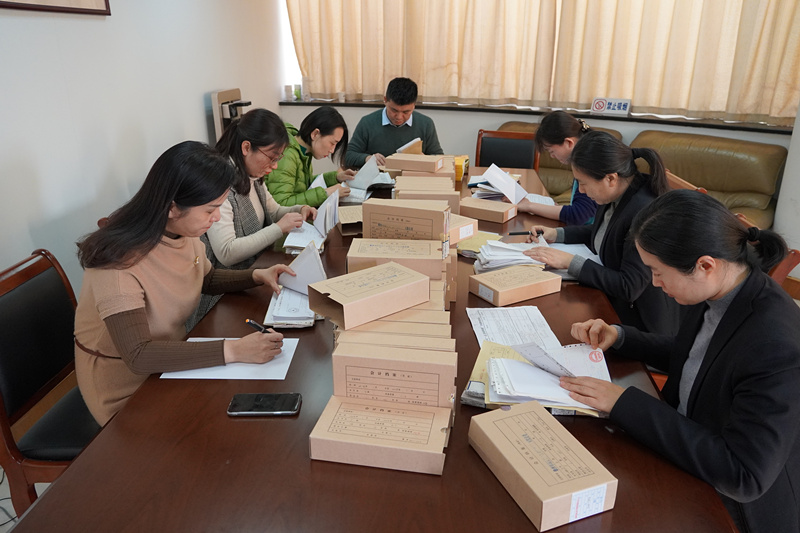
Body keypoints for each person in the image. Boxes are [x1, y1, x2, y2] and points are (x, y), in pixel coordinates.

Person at [561, 190, 800, 533]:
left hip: (731, 505)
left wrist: (623, 402)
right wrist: (622, 336)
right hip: (687, 446)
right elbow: (697, 354)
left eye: (658, 272)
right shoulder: (722, 289)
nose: (654, 283)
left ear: (705, 265)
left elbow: (744, 475)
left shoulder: (775, 345)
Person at [74, 141, 294, 426]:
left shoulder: (179, 233)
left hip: (170, 364)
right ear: (172, 208)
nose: (216, 218)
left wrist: (255, 275)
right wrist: (233, 350)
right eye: (210, 210)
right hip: (127, 390)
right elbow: (138, 355)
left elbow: (205, 278)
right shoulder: (117, 263)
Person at [524, 130, 680, 335]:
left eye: (583, 183)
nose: (580, 190)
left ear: (610, 178)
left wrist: (569, 262)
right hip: (608, 298)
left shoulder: (643, 213)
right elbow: (604, 232)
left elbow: (628, 287)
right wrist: (556, 234)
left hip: (636, 323)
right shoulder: (618, 191)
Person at [204, 108, 316, 271]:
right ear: (246, 148)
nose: (275, 166)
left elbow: (274, 211)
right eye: (272, 158)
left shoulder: (252, 175)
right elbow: (226, 252)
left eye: (278, 159)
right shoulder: (219, 184)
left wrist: (300, 210)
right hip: (231, 279)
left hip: (259, 266)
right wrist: (278, 228)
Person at [516, 111, 598, 225]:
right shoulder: (587, 153)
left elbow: (579, 215)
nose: (552, 156)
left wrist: (529, 206)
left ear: (569, 142)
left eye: (551, 151)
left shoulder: (588, 163)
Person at [344, 77, 444, 168]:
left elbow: (439, 157)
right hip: (378, 178)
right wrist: (368, 158)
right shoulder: (367, 122)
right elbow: (348, 156)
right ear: (385, 100)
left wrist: (426, 159)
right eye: (394, 110)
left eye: (406, 112)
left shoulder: (426, 124)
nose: (399, 117)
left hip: (412, 177)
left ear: (414, 105)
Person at [267, 106, 355, 207]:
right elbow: (282, 204)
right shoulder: (287, 155)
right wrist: (326, 193)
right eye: (332, 143)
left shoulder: (304, 151)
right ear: (315, 134)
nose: (332, 150)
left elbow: (302, 185)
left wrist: (336, 177)